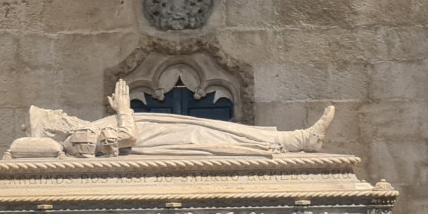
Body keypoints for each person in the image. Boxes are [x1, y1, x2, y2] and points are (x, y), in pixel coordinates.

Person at [24, 79, 335, 157]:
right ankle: (301, 140)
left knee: (224, 130)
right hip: (159, 141)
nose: (63, 115)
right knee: (226, 138)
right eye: (56, 116)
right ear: (52, 129)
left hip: (161, 131)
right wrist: (123, 110)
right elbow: (126, 138)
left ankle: (300, 139)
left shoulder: (84, 130)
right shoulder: (78, 138)